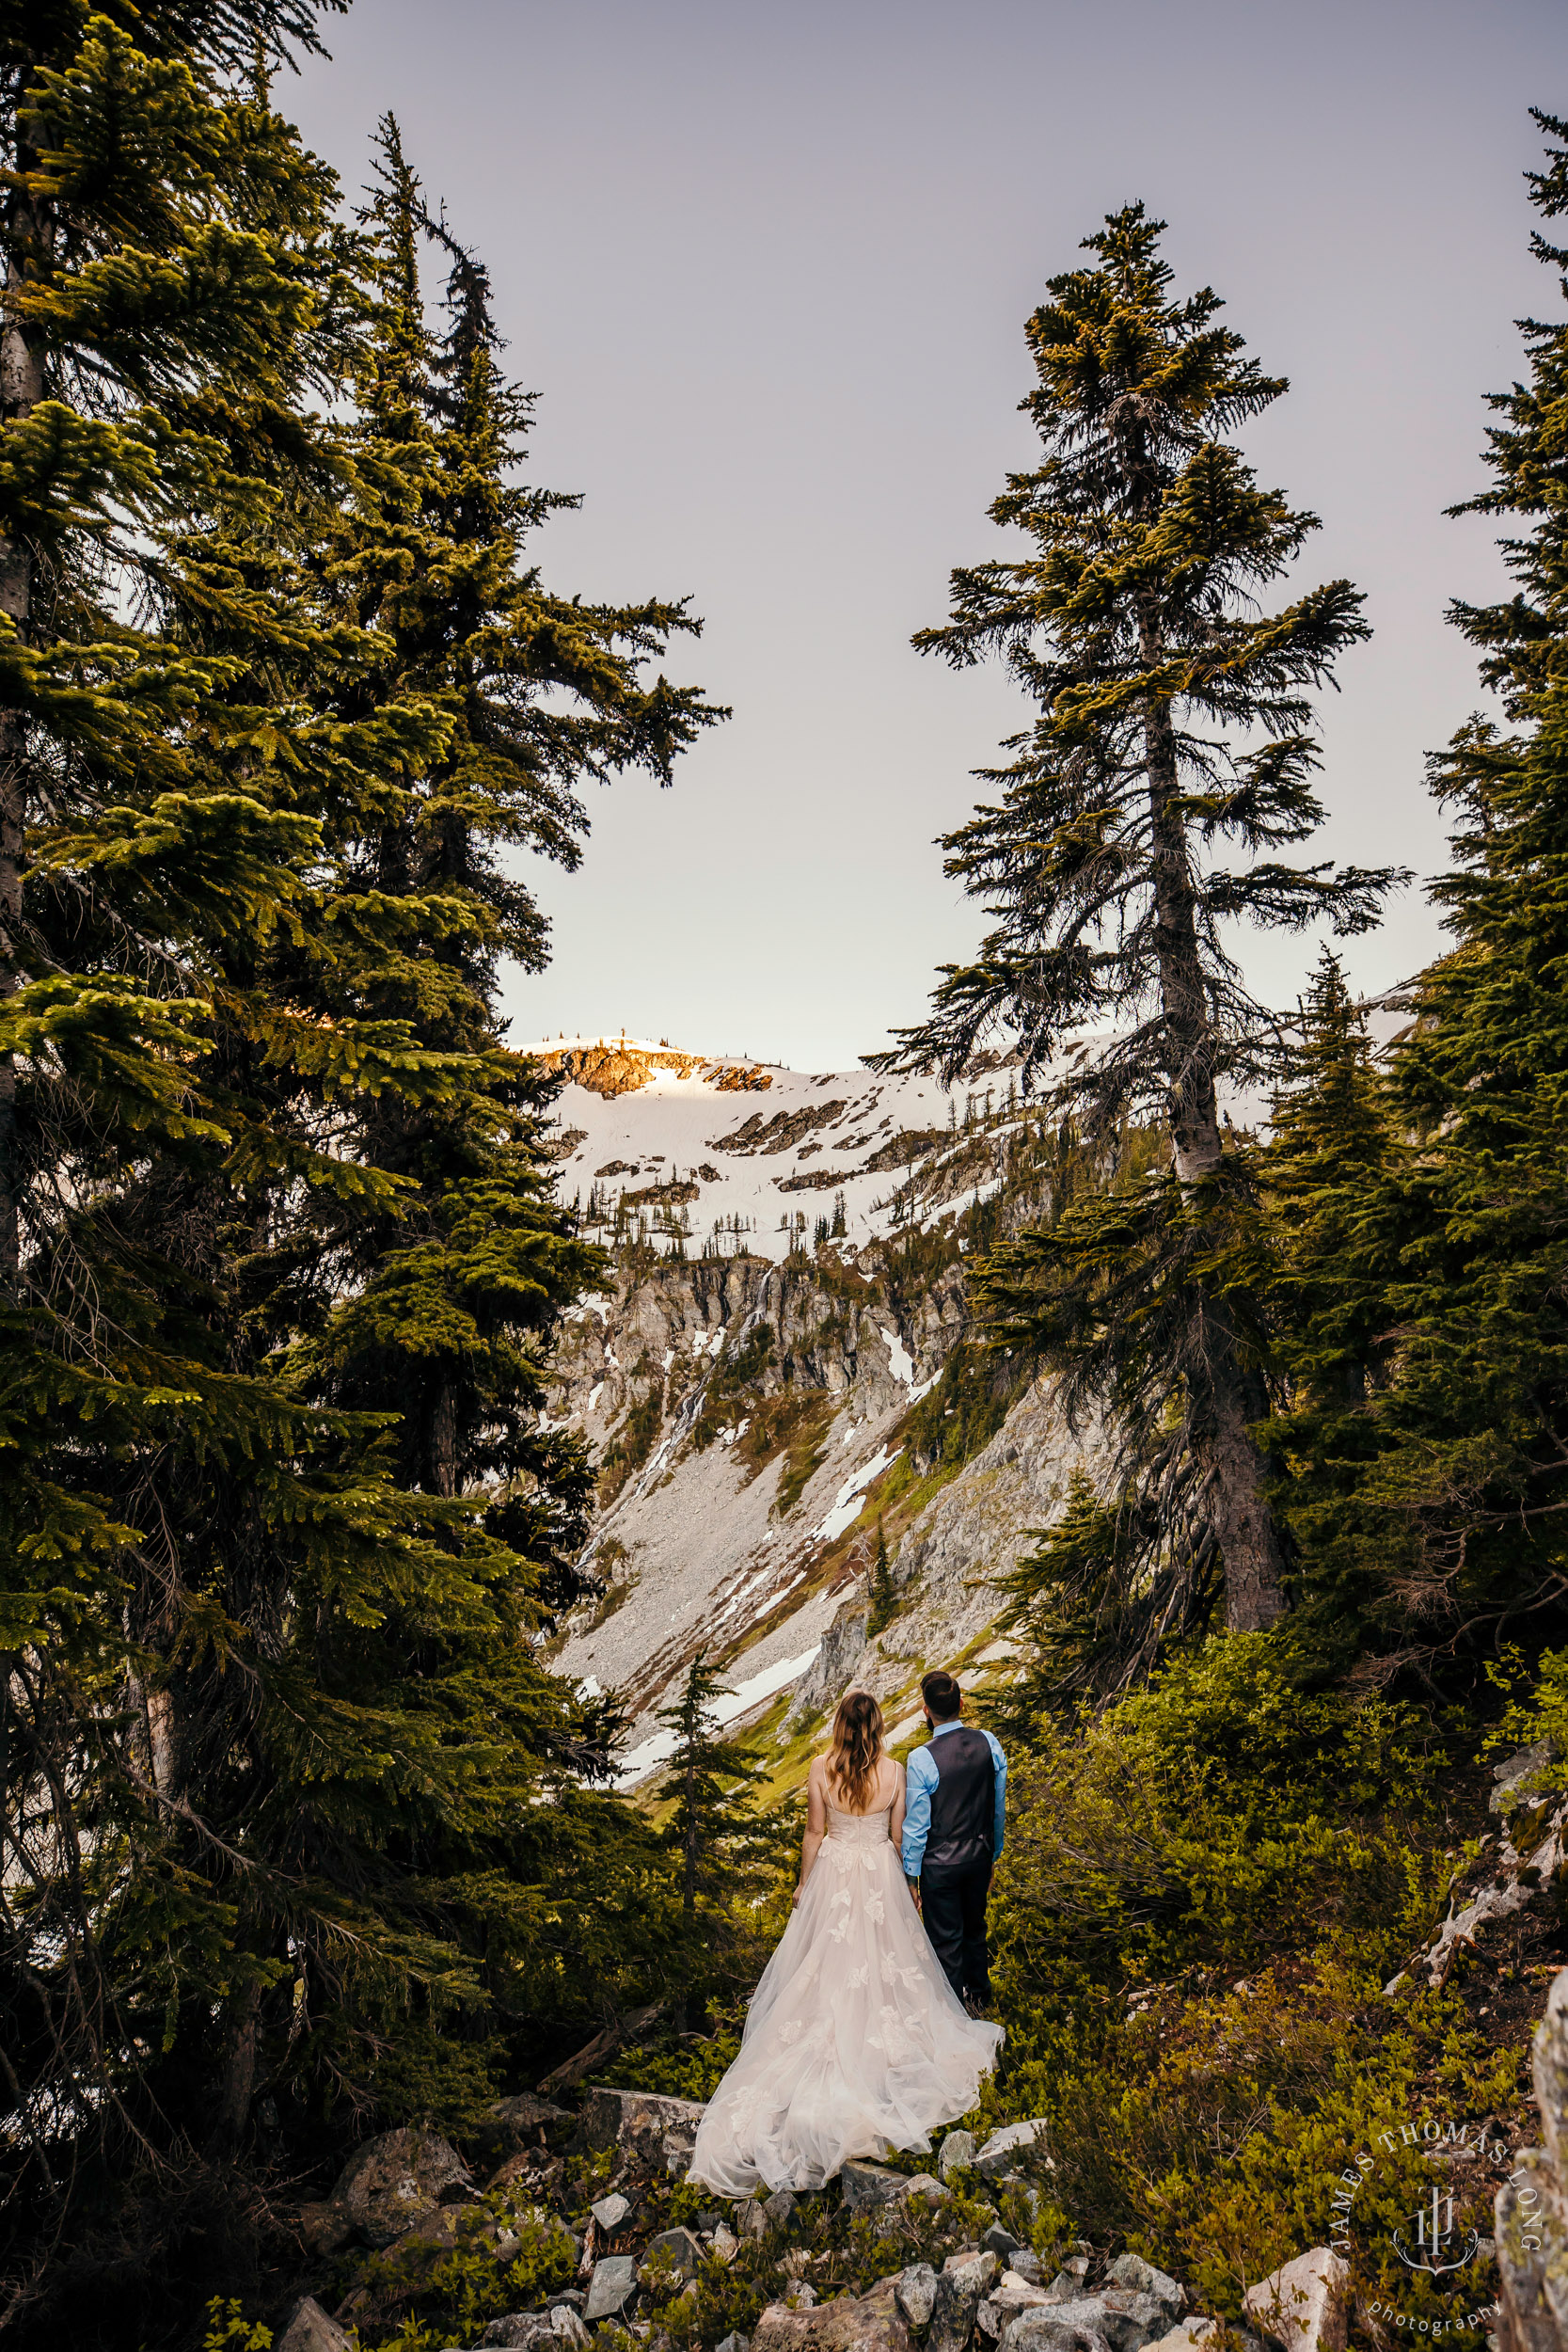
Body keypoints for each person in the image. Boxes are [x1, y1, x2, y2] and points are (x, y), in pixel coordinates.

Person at [687, 1689, 1002, 2194]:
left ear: (839, 1723)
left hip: (834, 1870)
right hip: (878, 1870)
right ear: (877, 1727)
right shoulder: (897, 1771)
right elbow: (899, 1841)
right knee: (889, 1963)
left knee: (825, 1963)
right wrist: (907, 1889)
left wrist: (804, 1884)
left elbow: (814, 1833)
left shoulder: (819, 1767)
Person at [900, 1669, 1006, 2014]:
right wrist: (993, 1854)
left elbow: (917, 1827)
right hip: (979, 1855)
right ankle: (982, 2001)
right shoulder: (989, 1742)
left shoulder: (921, 1758)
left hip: (939, 1867)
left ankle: (955, 2015)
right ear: (962, 1703)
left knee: (946, 1943)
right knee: (976, 1929)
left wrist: (910, 1878)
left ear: (925, 1711)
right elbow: (997, 1806)